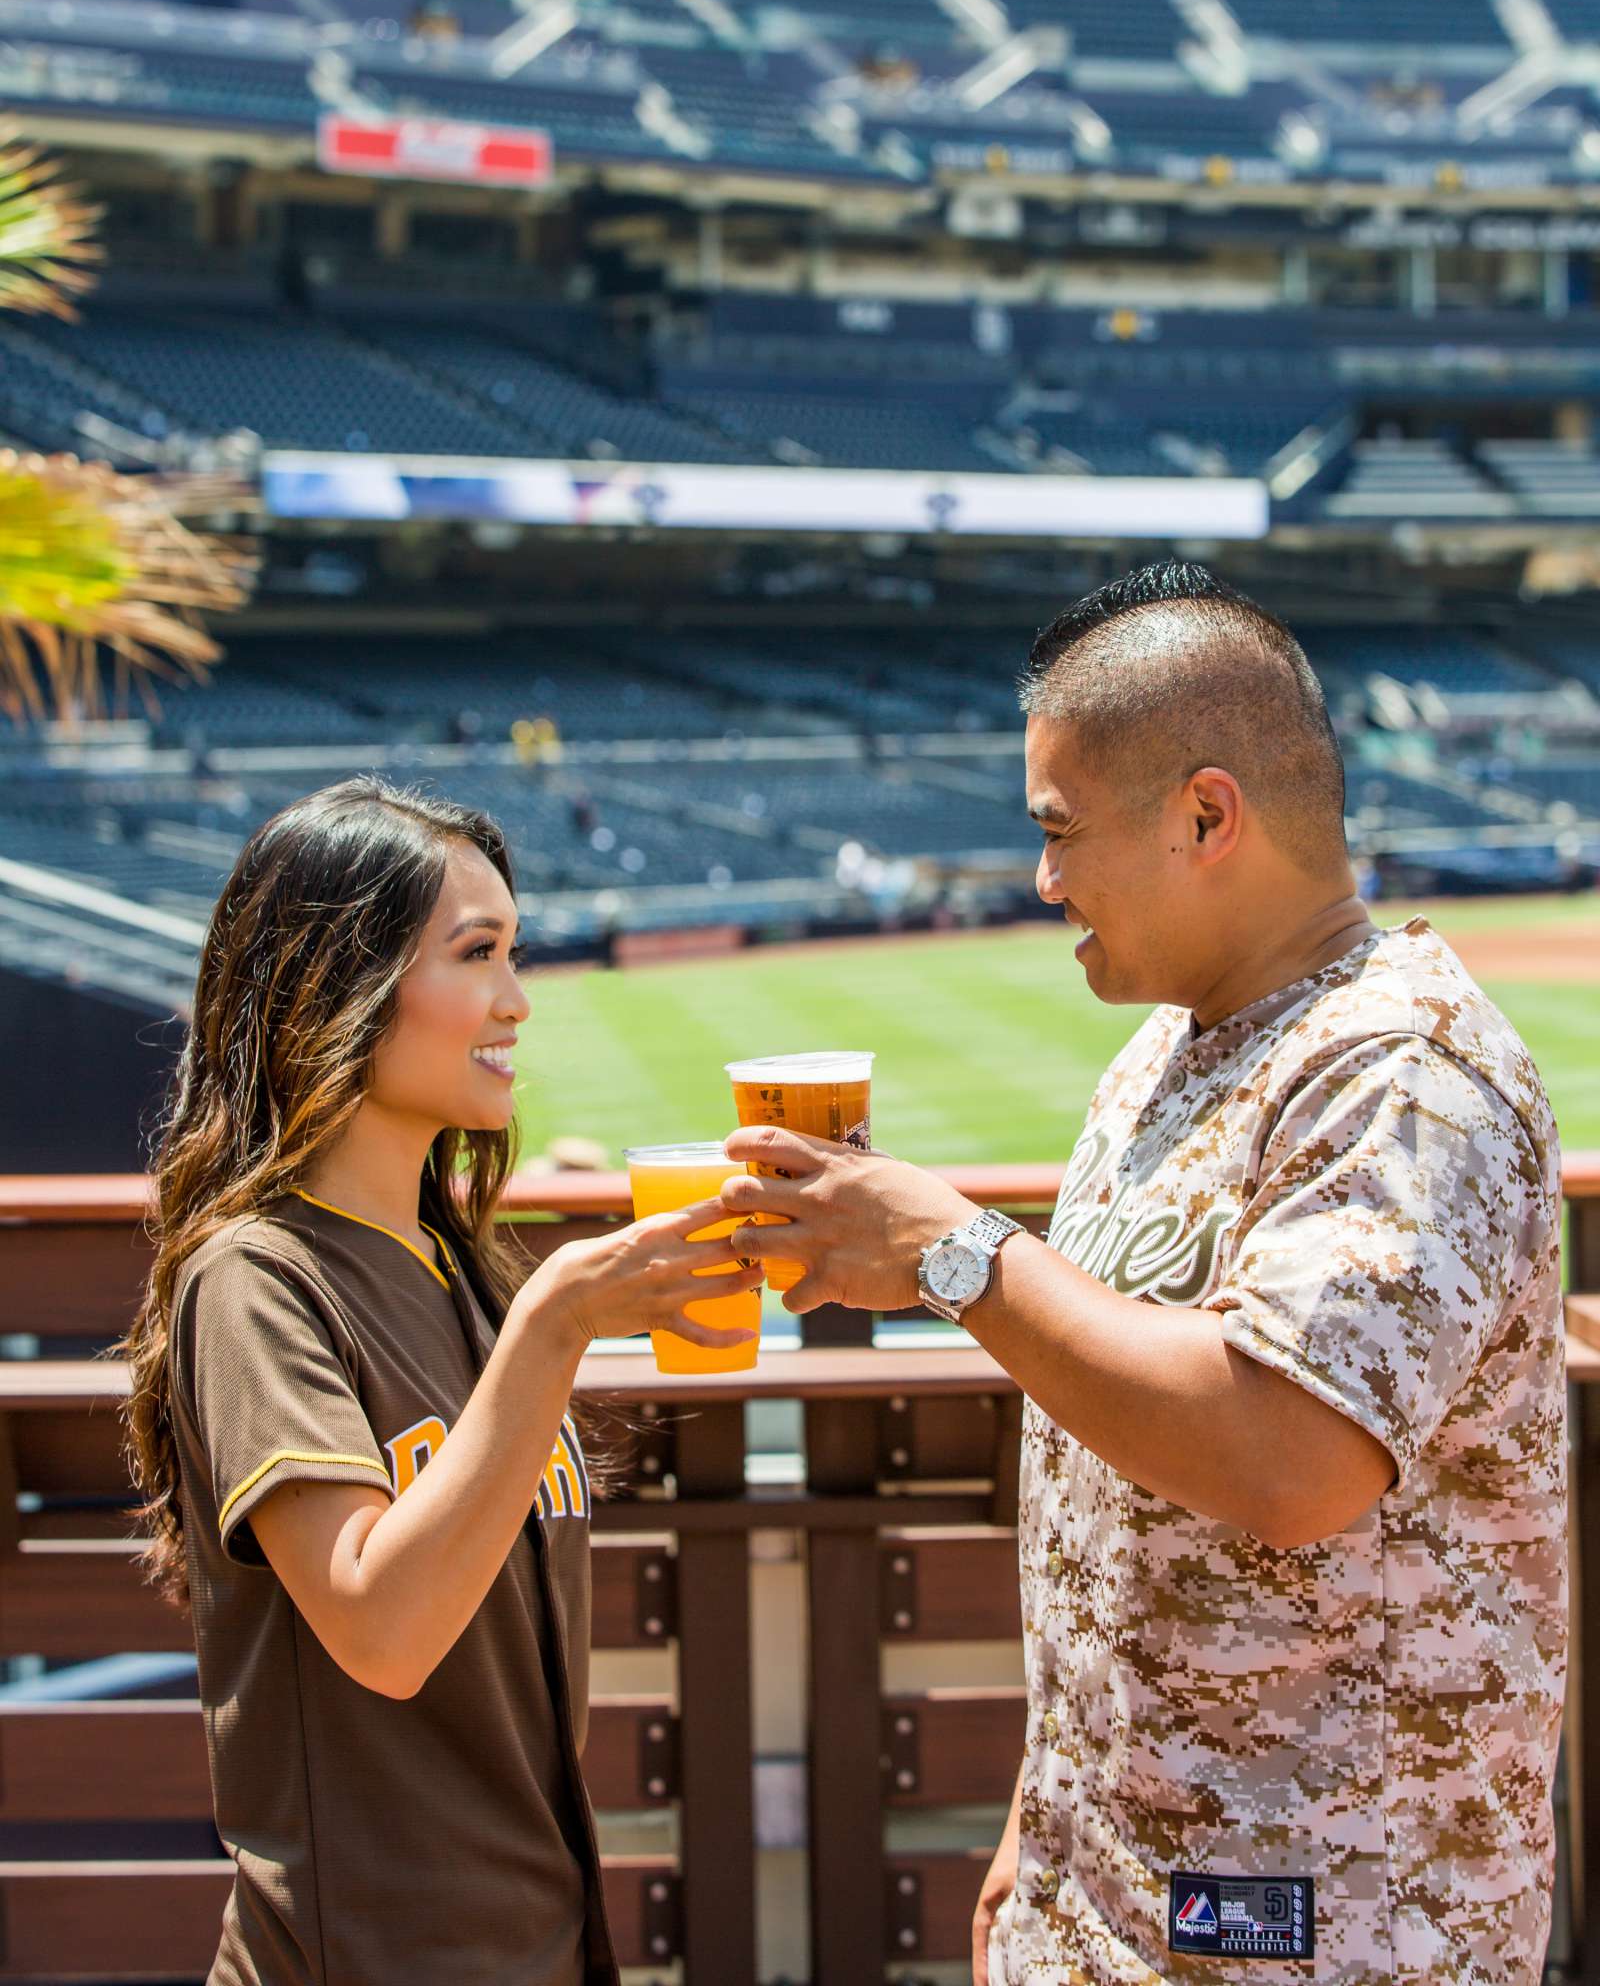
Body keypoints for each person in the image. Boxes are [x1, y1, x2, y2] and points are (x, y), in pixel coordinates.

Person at [721, 562, 1566, 1986]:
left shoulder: (1402, 1071)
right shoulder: (1170, 1046)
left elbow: (1292, 1453)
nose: (1043, 880)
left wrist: (957, 1252)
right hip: (1117, 1893)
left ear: (1206, 816)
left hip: (1333, 1923)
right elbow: (1120, 1482)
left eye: (1061, 832)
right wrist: (1042, 1827)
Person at [123, 776, 754, 1986]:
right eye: (478, 955)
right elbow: (385, 1631)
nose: (517, 1002)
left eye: (515, 954)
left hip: (538, 1943)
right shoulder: (255, 1278)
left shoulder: (457, 1264)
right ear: (338, 986)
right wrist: (560, 1321)